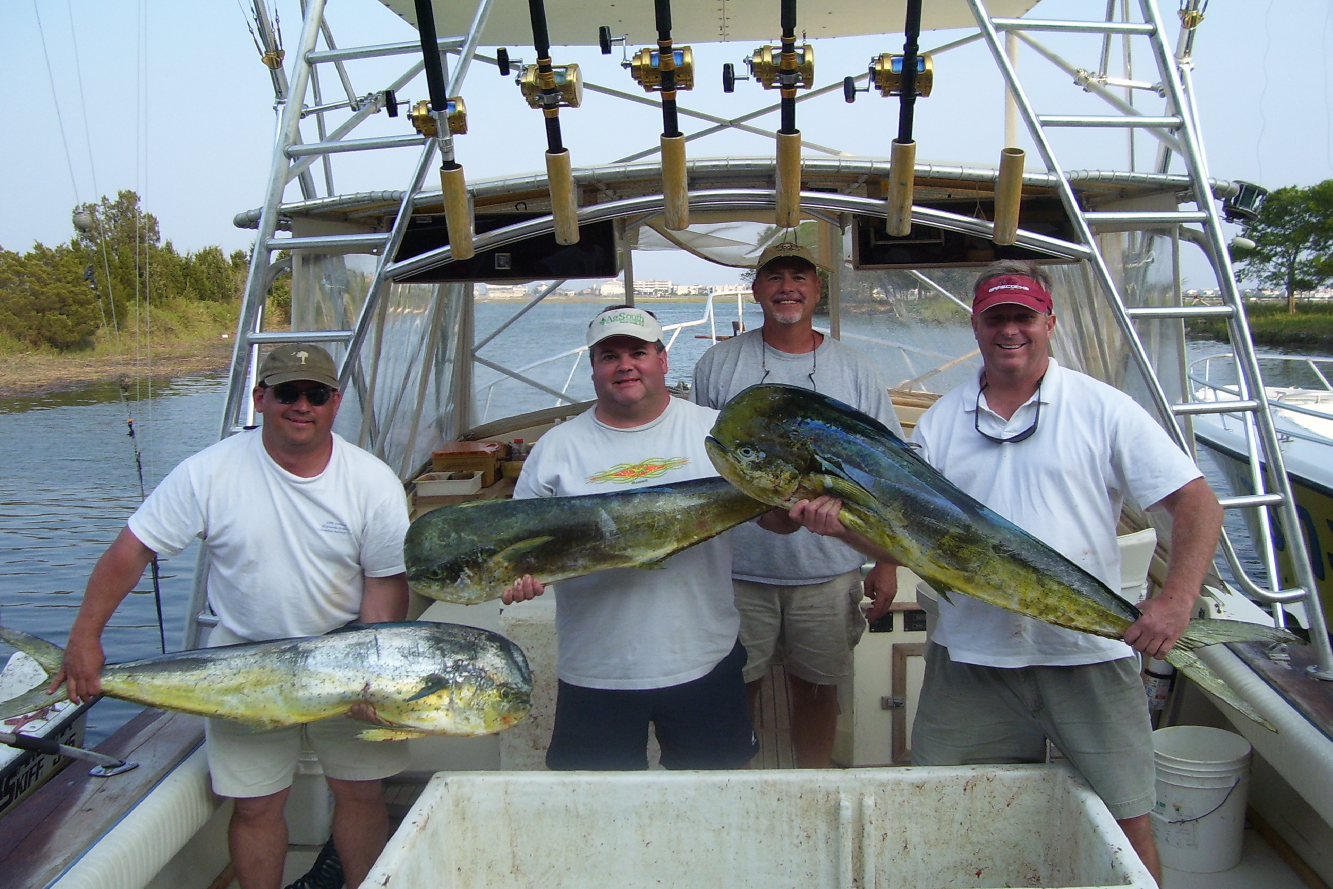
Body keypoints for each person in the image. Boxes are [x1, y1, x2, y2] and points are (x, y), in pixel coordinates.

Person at [788, 260, 1223, 883]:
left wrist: (1178, 598)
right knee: (951, 811)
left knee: (1128, 821)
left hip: (1089, 656)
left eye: (1024, 317)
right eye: (997, 318)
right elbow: (909, 539)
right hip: (972, 659)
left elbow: (1196, 501)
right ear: (975, 325)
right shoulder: (940, 422)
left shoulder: (1103, 408)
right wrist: (836, 525)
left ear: (1049, 321)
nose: (1010, 330)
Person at [52, 343, 411, 889]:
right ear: (260, 397)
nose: (302, 405)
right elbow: (131, 550)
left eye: (316, 394)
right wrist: (84, 638)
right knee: (255, 807)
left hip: (346, 657)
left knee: (361, 795)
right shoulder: (208, 471)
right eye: (287, 392)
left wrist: (371, 677)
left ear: (335, 403)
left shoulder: (373, 481)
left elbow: (385, 584)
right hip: (243, 664)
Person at [503, 305, 759, 771]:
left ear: (662, 360)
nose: (624, 365)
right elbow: (523, 551)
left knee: (718, 807)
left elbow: (776, 519)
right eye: (609, 355)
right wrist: (519, 578)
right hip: (596, 669)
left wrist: (807, 508)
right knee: (597, 820)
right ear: (593, 367)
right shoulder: (557, 448)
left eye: (637, 352)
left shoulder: (718, 432)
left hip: (703, 659)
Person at [691, 241, 905, 768]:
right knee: (735, 689)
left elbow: (890, 468)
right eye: (775, 277)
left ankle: (813, 789)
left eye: (800, 277)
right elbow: (696, 464)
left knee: (818, 693)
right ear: (758, 289)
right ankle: (739, 790)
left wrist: (886, 560)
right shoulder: (718, 364)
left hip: (829, 572)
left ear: (817, 289)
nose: (788, 287)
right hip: (737, 571)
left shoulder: (854, 369)